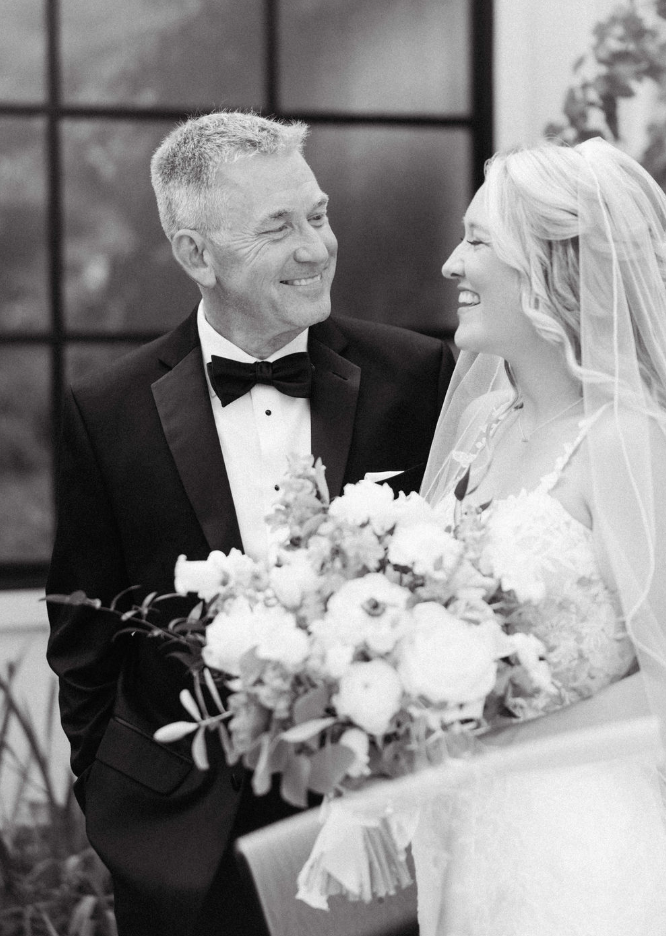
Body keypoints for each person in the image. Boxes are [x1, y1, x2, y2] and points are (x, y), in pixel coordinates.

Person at [46, 111, 455, 936]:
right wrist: (118, 805)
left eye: (319, 214)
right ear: (197, 254)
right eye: (279, 228)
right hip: (181, 846)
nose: (317, 247)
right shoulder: (106, 410)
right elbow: (84, 633)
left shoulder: (418, 378)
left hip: (373, 827)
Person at [410, 137, 666, 934]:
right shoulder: (483, 425)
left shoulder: (625, 440)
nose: (452, 264)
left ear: (555, 269)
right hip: (467, 839)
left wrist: (503, 747)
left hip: (585, 844)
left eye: (479, 240)